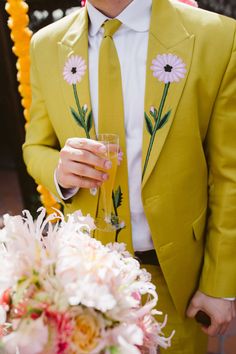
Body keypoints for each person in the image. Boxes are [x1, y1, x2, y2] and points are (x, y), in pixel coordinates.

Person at [23, 0, 236, 353]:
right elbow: (35, 147)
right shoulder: (46, 44)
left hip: (179, 284)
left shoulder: (216, 37)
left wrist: (219, 283)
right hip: (84, 284)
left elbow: (230, 174)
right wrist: (60, 170)